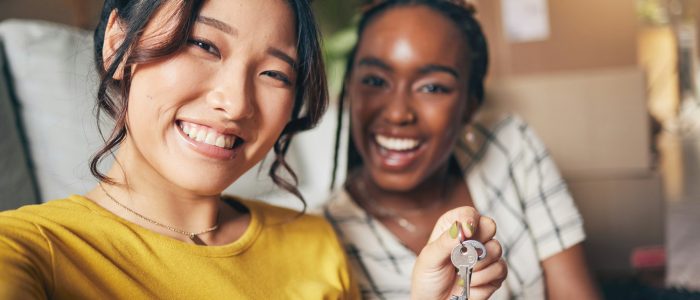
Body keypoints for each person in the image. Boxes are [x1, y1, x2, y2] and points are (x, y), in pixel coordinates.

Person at [0, 0, 501, 299]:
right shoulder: (29, 249)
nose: (236, 103)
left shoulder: (314, 243)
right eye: (204, 45)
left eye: (275, 74)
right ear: (120, 43)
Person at [324, 0, 602, 299]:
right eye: (375, 81)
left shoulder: (511, 147)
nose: (397, 113)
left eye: (432, 87)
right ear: (349, 88)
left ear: (470, 105)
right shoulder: (325, 240)